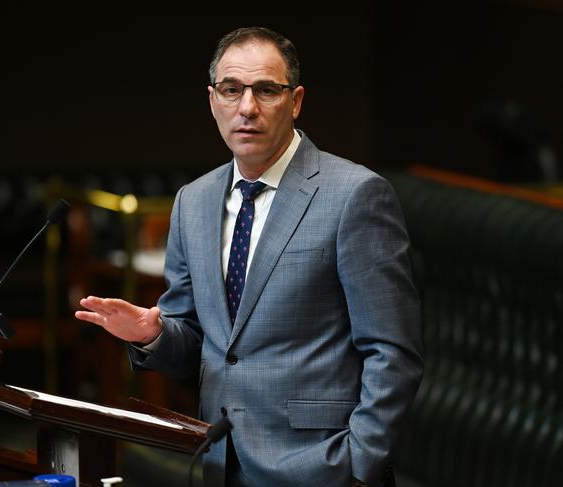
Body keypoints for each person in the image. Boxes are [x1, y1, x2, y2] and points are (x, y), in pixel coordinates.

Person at [75, 26, 423, 487]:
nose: (247, 108)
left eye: (266, 91)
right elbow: (201, 346)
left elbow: (392, 351)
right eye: (231, 90)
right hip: (220, 461)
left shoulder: (355, 195)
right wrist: (154, 334)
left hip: (322, 466)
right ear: (212, 100)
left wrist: (359, 463)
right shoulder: (193, 202)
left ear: (295, 101)